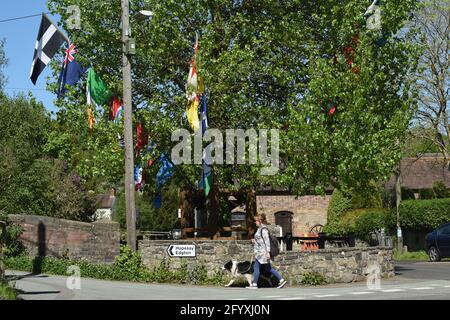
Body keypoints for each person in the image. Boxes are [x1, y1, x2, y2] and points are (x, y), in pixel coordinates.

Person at [246, 213, 287, 289]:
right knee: (268, 268)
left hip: (263, 253)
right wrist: (254, 241)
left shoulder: (264, 230)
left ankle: (254, 284)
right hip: (260, 252)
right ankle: (281, 280)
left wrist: (268, 252)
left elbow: (267, 241)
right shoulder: (259, 229)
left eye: (256, 221)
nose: (255, 222)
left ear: (260, 221)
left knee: (256, 267)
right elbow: (261, 241)